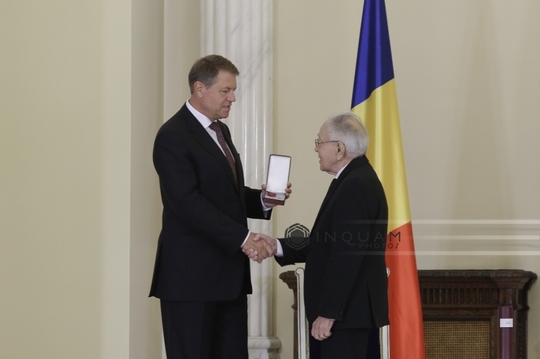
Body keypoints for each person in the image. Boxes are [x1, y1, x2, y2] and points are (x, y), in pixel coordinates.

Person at [150, 54, 289, 359]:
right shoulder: (172, 136)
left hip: (228, 279)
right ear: (200, 89)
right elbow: (187, 202)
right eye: (225, 91)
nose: (233, 98)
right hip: (190, 282)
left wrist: (263, 200)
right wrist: (245, 239)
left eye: (233, 90)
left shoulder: (220, 131)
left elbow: (227, 195)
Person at [246, 112, 389, 359]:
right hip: (348, 314)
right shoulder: (351, 179)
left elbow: (346, 256)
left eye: (319, 142)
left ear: (339, 148)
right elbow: (327, 243)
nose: (316, 149)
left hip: (345, 315)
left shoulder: (356, 185)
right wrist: (278, 245)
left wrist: (329, 313)